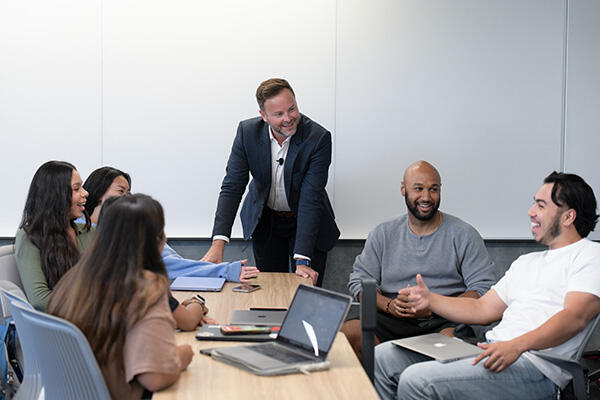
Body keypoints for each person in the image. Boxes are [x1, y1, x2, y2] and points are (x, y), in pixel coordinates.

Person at [374, 171, 600, 400]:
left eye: (541, 206)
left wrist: (517, 345)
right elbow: (482, 309)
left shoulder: (591, 256)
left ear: (568, 216)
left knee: (417, 381)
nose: (531, 212)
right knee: (383, 357)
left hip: (537, 368)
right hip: (491, 350)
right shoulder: (527, 262)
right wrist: (430, 299)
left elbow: (575, 317)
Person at [342, 160, 496, 358]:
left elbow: (483, 289)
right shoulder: (383, 233)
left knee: (450, 344)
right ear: (403, 189)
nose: (426, 197)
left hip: (444, 320)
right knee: (347, 335)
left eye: (433, 189)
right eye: (418, 189)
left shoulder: (464, 234)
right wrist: (391, 306)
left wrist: (434, 305)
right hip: (391, 317)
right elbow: (359, 283)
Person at [47, 194, 193, 399]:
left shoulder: (73, 278)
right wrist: (185, 353)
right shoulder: (146, 288)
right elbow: (155, 377)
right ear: (157, 241)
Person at [202, 78, 339, 286]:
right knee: (269, 291)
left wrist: (302, 260)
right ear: (263, 116)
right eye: (278, 114)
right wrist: (218, 244)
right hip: (267, 222)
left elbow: (311, 198)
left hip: (307, 223)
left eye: (292, 109)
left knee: (306, 293)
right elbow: (232, 186)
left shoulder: (317, 138)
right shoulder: (247, 133)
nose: (289, 118)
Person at [82, 166, 259, 282]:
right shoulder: (80, 232)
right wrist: (225, 270)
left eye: (129, 192)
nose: (128, 198)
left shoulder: (126, 225)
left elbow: (172, 263)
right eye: (121, 191)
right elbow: (166, 265)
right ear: (98, 193)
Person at [15, 160, 95, 311]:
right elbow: (39, 299)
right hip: (65, 325)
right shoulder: (30, 237)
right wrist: (91, 307)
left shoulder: (88, 232)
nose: (85, 193)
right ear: (55, 197)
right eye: (76, 189)